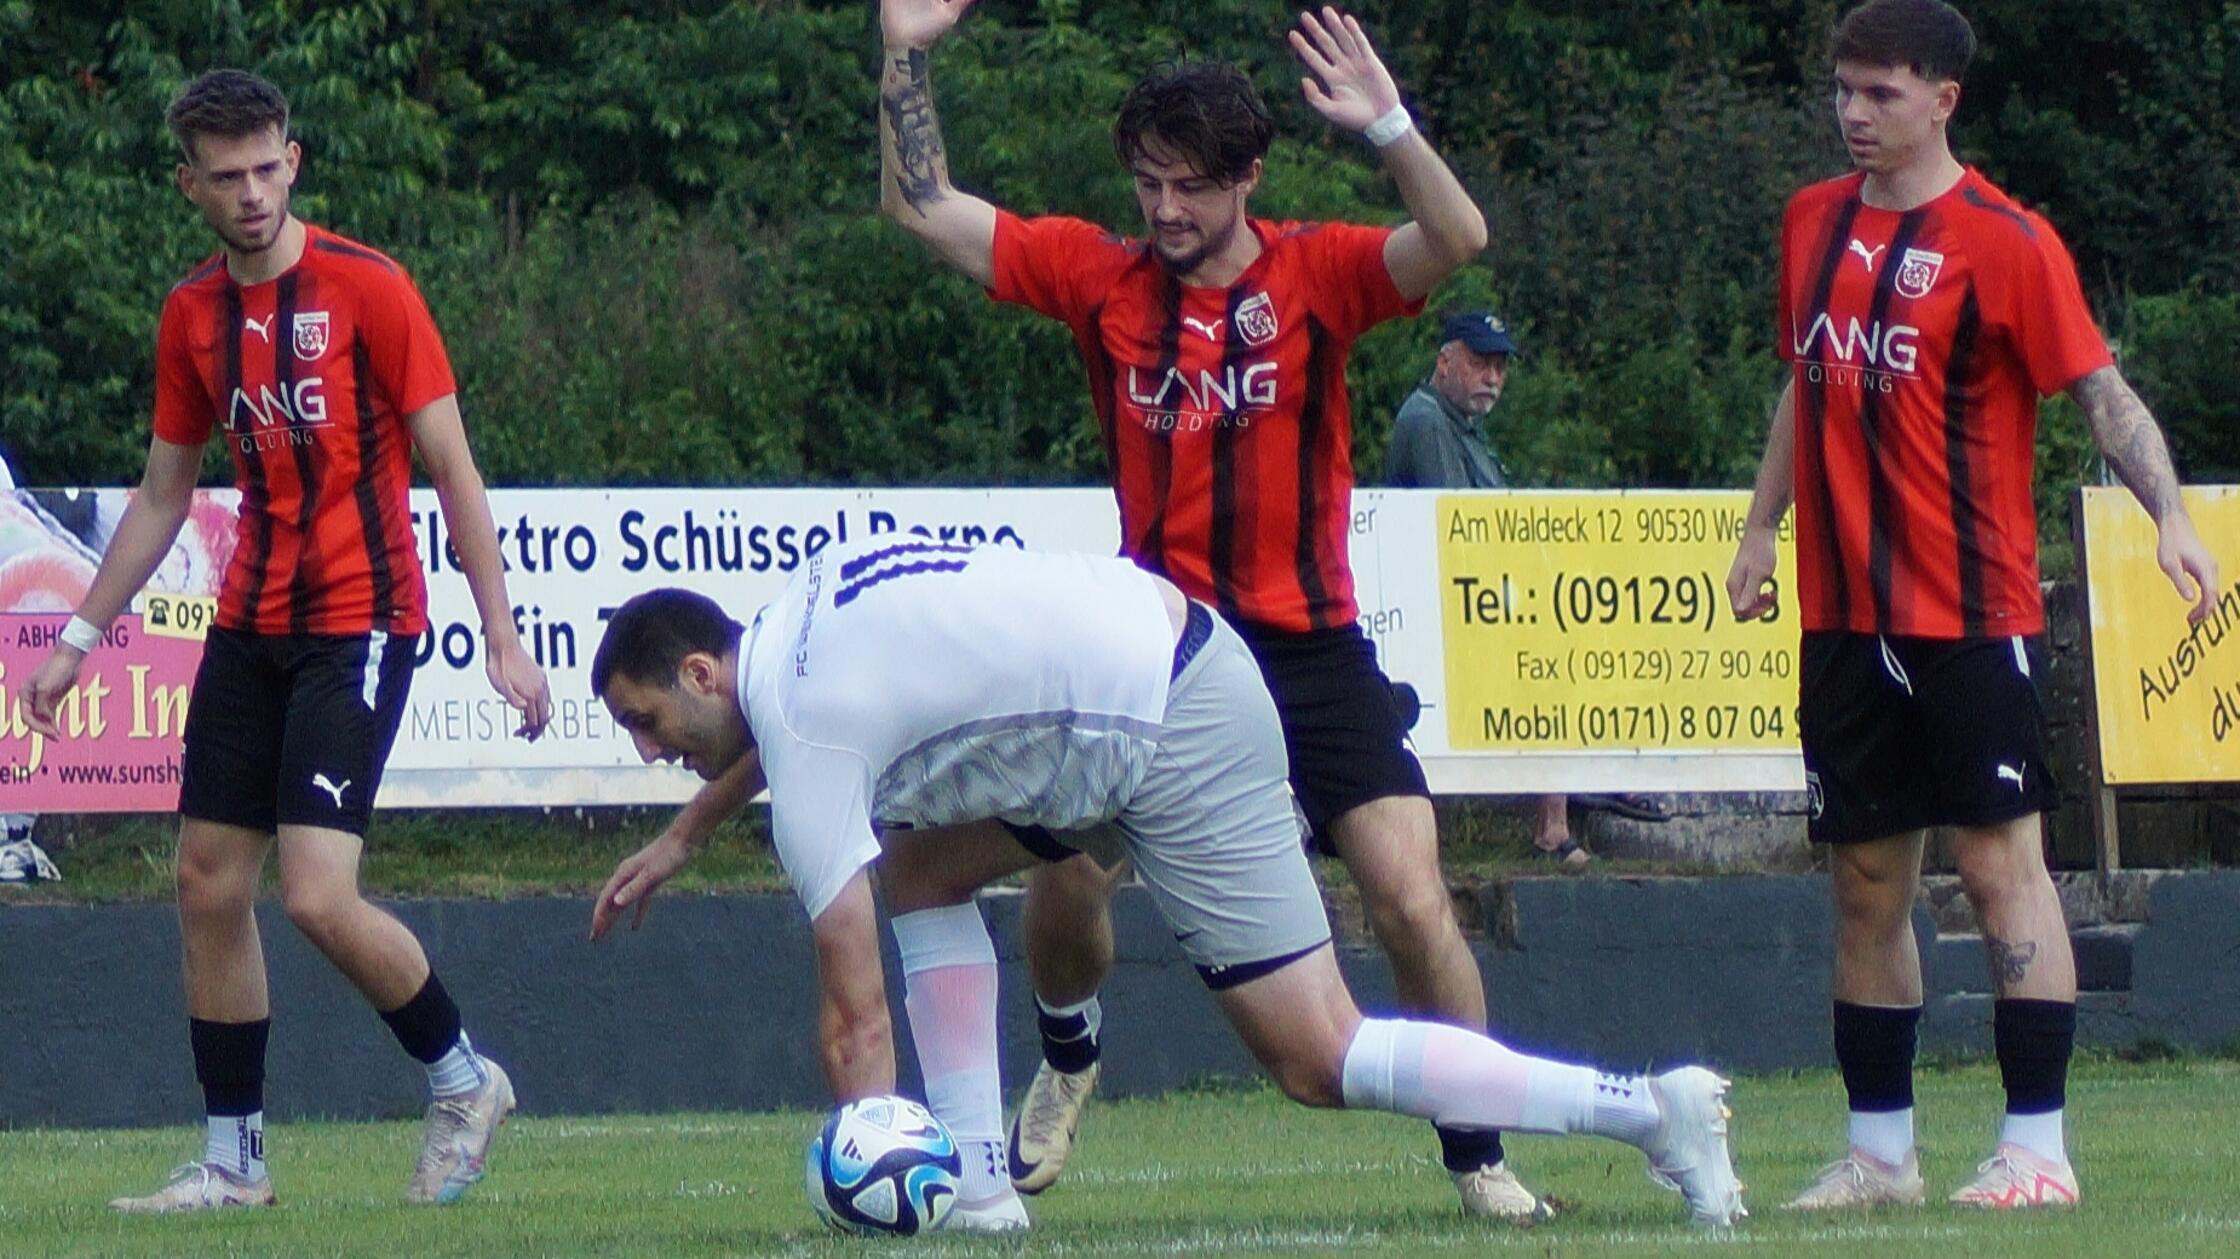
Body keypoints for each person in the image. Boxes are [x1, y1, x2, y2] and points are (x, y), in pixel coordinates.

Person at [870, 0, 1550, 1218]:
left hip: (1307, 644)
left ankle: (1476, 1148)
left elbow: (1456, 234)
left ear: (1248, 177)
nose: (1164, 211)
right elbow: (919, 208)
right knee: (1068, 879)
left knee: (1406, 891)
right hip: (1156, 656)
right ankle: (1069, 1057)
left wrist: (1386, 120)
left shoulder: (1318, 272)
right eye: (1146, 184)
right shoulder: (1102, 276)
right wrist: (904, 50)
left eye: (1189, 187)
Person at [587, 538, 1746, 1233]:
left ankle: (1649, 1109)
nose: (648, 749)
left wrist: (869, 1160)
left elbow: (853, 1015)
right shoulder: (789, 624)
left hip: (1172, 719)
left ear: (699, 670)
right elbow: (798, 731)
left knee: (1316, 1055)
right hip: (1131, 682)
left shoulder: (806, 730)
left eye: (647, 721)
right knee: (921, 870)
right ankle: (984, 1193)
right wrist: (688, 832)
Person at [22, 69, 553, 1212]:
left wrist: (502, 634)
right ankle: (232, 1160)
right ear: (191, 187)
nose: (252, 192)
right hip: (248, 620)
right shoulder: (191, 315)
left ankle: (465, 1080)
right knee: (208, 881)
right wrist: (74, 639)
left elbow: (453, 467)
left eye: (268, 167)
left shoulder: (371, 287)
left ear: (293, 160)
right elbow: (164, 493)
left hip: (359, 621)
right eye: (227, 176)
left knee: (316, 893)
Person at [1724, 0, 2219, 1212]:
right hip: (1844, 618)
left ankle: (2035, 1149)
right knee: (1864, 881)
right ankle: (1879, 1154)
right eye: (1841, 89)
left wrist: (2169, 511)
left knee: (2003, 872)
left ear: (1941, 99)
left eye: (1879, 93)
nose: (1851, 113)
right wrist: (1757, 522)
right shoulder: (1809, 222)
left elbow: (2099, 394)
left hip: (1971, 613)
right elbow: (1805, 374)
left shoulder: (2005, 240)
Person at [1384, 311, 1671, 867]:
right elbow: (1459, 528)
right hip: (1442, 611)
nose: (1492, 377)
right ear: (1446, 361)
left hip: (1476, 598)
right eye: (1480, 363)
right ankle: (1555, 822)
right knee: (1556, 643)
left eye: (1500, 367)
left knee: (1595, 621)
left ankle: (1603, 768)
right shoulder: (1427, 421)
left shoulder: (1463, 428)